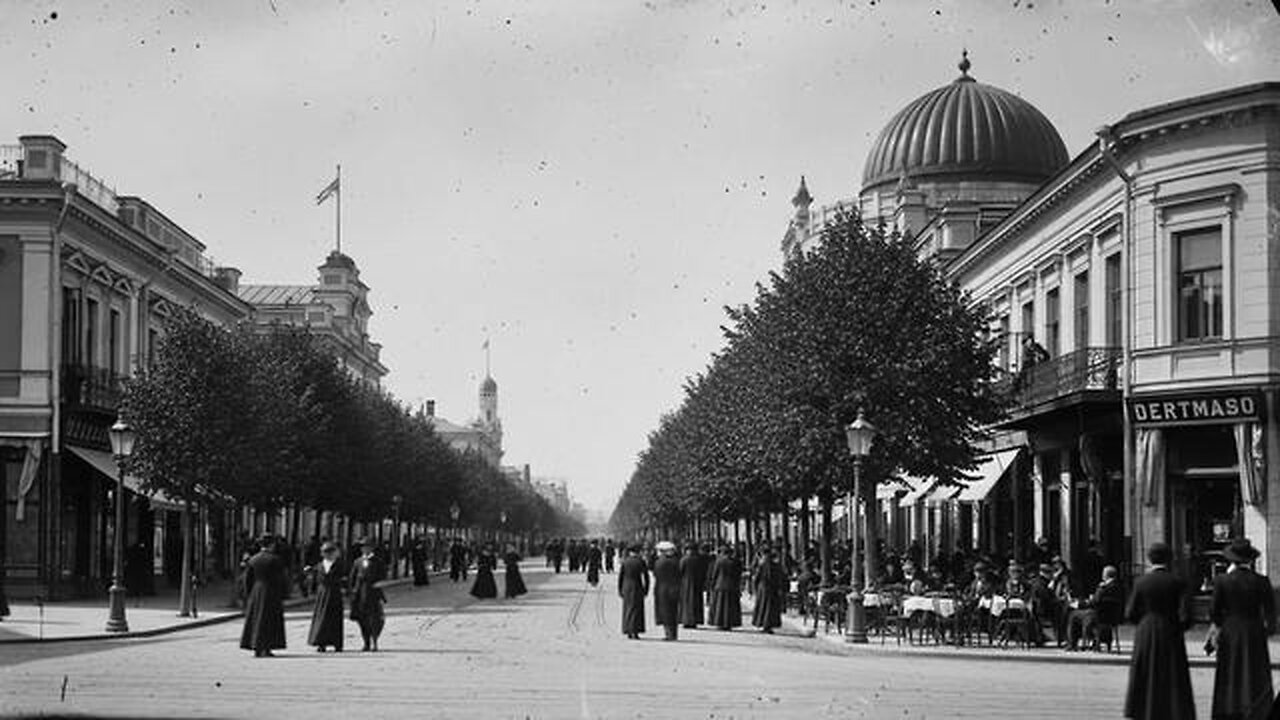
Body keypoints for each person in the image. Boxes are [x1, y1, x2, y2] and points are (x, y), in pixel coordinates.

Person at [1124, 542, 1195, 720]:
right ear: (1169, 559)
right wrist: (1179, 627)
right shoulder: (1178, 582)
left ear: (1150, 559)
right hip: (1170, 629)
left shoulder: (1141, 582)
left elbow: (1130, 613)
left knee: (1145, 671)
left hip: (1146, 630)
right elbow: (1186, 616)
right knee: (1172, 673)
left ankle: (1143, 710)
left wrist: (1142, 623)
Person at [1207, 538, 1274, 720]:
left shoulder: (1222, 581)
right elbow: (1271, 611)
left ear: (1232, 560)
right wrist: (1268, 630)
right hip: (1254, 629)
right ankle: (1257, 708)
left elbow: (1214, 610)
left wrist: (1218, 625)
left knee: (1230, 670)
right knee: (1255, 670)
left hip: (1230, 630)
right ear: (1250, 560)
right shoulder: (1261, 581)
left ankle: (1229, 708)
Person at [239, 535, 288, 658]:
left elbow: (247, 579)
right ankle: (267, 647)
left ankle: (256, 646)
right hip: (271, 591)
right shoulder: (275, 559)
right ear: (271, 545)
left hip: (257, 591)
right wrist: (283, 593)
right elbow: (281, 578)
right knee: (269, 620)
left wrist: (249, 594)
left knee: (256, 619)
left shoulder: (253, 560)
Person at [1065, 565, 1124, 651]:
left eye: (1103, 573)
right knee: (1083, 615)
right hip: (1113, 617)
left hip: (1099, 616)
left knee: (1073, 615)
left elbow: (1095, 602)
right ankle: (1092, 640)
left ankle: (1072, 643)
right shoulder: (1119, 586)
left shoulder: (1104, 587)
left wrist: (1079, 604)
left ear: (1106, 575)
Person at [307, 541, 347, 653]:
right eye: (325, 552)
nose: (328, 554)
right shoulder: (319, 566)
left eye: (330, 552)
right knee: (321, 618)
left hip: (334, 593)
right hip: (323, 594)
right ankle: (321, 642)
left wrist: (345, 589)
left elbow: (344, 578)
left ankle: (337, 643)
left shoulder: (339, 565)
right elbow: (314, 579)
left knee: (335, 619)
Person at [349, 539, 387, 652]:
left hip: (373, 594)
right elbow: (352, 578)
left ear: (372, 548)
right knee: (362, 620)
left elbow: (383, 576)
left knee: (374, 619)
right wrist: (352, 591)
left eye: (367, 547)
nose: (365, 549)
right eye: (363, 547)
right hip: (360, 595)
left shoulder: (378, 561)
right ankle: (366, 642)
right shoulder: (357, 562)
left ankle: (374, 641)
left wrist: (378, 584)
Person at [708, 545, 743, 631]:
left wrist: (712, 584)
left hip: (720, 585)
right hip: (731, 586)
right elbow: (737, 575)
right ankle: (729, 623)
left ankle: (720, 622)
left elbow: (715, 574)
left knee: (720, 606)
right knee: (729, 607)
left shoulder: (719, 561)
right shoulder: (734, 562)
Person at [752, 550, 787, 634]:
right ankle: (769, 625)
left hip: (763, 589)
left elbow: (756, 578)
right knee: (771, 608)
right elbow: (781, 578)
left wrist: (755, 588)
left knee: (763, 607)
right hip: (773, 589)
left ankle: (762, 623)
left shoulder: (761, 565)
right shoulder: (776, 566)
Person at [618, 544, 649, 639]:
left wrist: (620, 589)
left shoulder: (625, 562)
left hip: (627, 587)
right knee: (636, 609)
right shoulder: (641, 561)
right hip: (637, 586)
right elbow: (646, 577)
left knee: (627, 609)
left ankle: (628, 629)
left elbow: (621, 577)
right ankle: (635, 630)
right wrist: (646, 589)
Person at [652, 541, 682, 641]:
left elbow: (656, 574)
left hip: (662, 589)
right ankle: (674, 633)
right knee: (673, 611)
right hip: (674, 589)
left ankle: (668, 633)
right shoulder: (676, 562)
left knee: (665, 612)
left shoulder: (659, 562)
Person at [679, 543, 706, 629]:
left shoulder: (684, 560)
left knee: (686, 602)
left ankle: (686, 620)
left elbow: (680, 572)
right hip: (697, 583)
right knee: (696, 603)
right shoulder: (699, 560)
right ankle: (695, 620)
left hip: (686, 583)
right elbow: (703, 572)